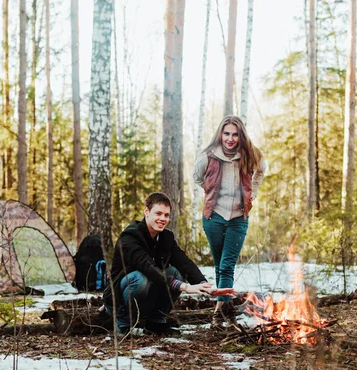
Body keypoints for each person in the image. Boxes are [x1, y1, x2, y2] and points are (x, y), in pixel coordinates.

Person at [103, 192, 213, 335]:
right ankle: (123, 322)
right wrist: (184, 287)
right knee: (141, 278)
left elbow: (183, 261)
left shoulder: (166, 237)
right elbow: (148, 268)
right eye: (158, 213)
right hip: (119, 297)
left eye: (166, 215)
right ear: (147, 212)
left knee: (175, 272)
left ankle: (156, 322)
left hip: (146, 293)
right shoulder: (129, 237)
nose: (162, 219)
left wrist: (204, 285)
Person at [193, 115, 266, 329]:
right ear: (221, 134)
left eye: (235, 134)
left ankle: (218, 314)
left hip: (238, 218)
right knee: (219, 266)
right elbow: (197, 177)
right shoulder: (208, 156)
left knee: (226, 266)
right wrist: (210, 190)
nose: (230, 138)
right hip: (213, 217)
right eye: (227, 134)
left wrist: (253, 193)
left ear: (240, 135)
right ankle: (227, 310)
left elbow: (261, 170)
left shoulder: (250, 155)